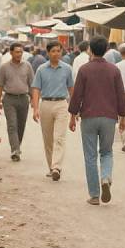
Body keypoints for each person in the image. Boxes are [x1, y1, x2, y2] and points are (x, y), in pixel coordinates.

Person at [68, 35, 125, 205]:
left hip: (88, 117)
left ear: (90, 50)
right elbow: (120, 96)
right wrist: (122, 117)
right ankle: (106, 178)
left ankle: (94, 195)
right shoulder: (114, 70)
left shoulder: (84, 70)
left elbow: (77, 95)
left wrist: (72, 116)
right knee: (107, 152)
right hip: (109, 117)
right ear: (107, 50)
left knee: (90, 156)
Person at [31, 41, 74, 180]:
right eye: (53, 51)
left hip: (62, 104)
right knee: (48, 139)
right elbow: (36, 89)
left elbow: (71, 89)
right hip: (46, 104)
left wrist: (74, 109)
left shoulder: (67, 69)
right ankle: (51, 167)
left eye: (59, 51)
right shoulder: (41, 69)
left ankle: (56, 167)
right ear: (48, 53)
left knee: (59, 138)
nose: (56, 53)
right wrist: (36, 108)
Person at [0, 42, 34, 161]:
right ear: (11, 52)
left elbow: (32, 84)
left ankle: (17, 146)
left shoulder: (27, 66)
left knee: (21, 126)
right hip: (9, 99)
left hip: (23, 99)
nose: (19, 54)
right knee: (12, 125)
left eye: (21, 52)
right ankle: (15, 150)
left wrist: (34, 100)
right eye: (17, 52)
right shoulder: (4, 67)